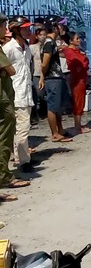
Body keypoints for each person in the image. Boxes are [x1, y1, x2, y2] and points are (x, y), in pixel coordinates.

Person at [0, 13, 29, 192]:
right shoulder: (7, 48)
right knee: (5, 136)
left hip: (14, 93)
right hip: (5, 98)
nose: (5, 29)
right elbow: (10, 70)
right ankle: (4, 176)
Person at [4, 16, 35, 173]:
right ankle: (23, 161)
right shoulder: (8, 48)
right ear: (16, 30)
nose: (29, 31)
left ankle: (20, 157)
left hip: (26, 93)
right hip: (15, 94)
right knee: (22, 129)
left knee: (22, 129)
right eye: (25, 29)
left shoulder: (26, 47)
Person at [40, 18, 72, 142]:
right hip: (52, 78)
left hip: (56, 77)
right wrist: (43, 76)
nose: (62, 28)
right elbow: (44, 63)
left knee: (57, 105)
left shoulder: (51, 42)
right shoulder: (49, 42)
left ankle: (60, 129)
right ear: (55, 28)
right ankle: (54, 133)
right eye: (60, 25)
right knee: (53, 106)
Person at [63, 32, 91, 134]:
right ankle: (77, 126)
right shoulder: (70, 51)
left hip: (81, 78)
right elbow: (82, 63)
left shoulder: (75, 51)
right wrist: (84, 57)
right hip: (77, 79)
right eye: (77, 38)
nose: (79, 40)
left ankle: (78, 124)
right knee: (78, 101)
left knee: (80, 100)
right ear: (71, 41)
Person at [30, 26, 47, 122]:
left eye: (44, 35)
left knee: (45, 93)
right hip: (36, 73)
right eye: (40, 35)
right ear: (37, 36)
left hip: (46, 73)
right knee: (38, 94)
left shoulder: (48, 46)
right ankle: (36, 113)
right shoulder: (32, 48)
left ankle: (44, 111)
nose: (43, 37)